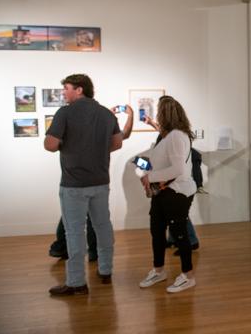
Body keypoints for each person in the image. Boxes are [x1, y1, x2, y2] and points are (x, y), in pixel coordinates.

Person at [44, 74, 124, 296]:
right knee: (103, 226)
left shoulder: (65, 113)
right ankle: (106, 270)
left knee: (74, 233)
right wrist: (95, 151)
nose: (64, 93)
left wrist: (69, 146)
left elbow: (50, 145)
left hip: (74, 184)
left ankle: (77, 282)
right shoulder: (107, 114)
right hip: (100, 181)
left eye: (66, 89)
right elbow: (117, 143)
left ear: (79, 90)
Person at [48, 105, 134, 262]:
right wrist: (128, 116)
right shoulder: (102, 130)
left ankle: (63, 248)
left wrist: (127, 117)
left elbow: (51, 145)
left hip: (78, 181)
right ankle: (82, 251)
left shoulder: (79, 128)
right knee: (94, 219)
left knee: (75, 218)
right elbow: (123, 136)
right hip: (95, 180)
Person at [138, 96, 197, 293]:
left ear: (166, 114)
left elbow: (178, 169)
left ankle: (188, 276)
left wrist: (150, 176)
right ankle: (158, 270)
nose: (157, 115)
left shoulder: (177, 136)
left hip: (177, 193)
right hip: (164, 192)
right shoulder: (170, 135)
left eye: (159, 112)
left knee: (180, 234)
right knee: (157, 231)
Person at [144, 114, 203, 253]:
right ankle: (173, 240)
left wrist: (155, 176)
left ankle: (191, 242)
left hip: (180, 183)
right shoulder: (173, 134)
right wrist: (151, 123)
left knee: (179, 214)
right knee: (171, 213)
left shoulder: (176, 137)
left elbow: (177, 168)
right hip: (174, 182)